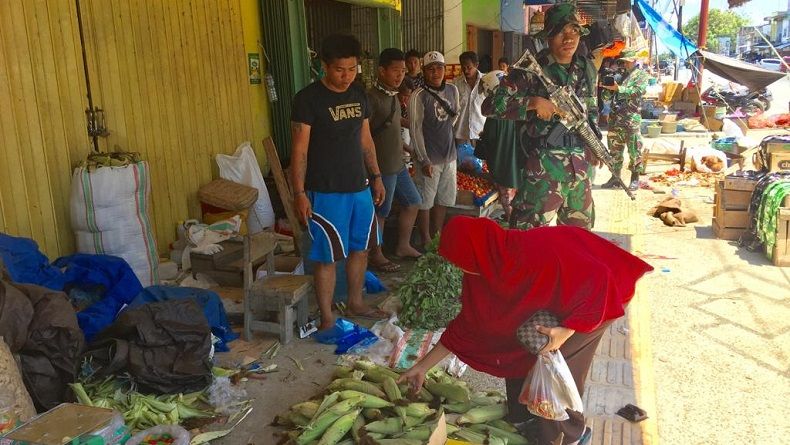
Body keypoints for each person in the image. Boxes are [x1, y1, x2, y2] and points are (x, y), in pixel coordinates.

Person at [398, 216, 654, 445]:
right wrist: (422, 367)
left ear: (472, 250)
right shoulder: (484, 265)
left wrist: (568, 330)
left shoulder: (532, 255)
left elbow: (600, 279)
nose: (458, 266)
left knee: (556, 369)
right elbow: (467, 326)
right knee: (518, 350)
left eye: (459, 259)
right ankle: (523, 418)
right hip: (566, 297)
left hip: (601, 298)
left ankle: (570, 436)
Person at [290, 34, 388, 330]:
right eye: (339, 70)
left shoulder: (359, 95)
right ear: (324, 66)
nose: (346, 76)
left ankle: (356, 302)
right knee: (327, 257)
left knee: (361, 249)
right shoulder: (308, 99)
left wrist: (377, 177)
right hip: (326, 191)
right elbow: (299, 150)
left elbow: (366, 140)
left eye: (352, 69)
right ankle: (327, 317)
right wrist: (299, 192)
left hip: (360, 188)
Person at [482, 3, 600, 230]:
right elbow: (490, 107)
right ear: (549, 36)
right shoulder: (530, 70)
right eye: (561, 31)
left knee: (578, 239)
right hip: (543, 171)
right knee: (527, 237)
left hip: (580, 171)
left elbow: (591, 111)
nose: (569, 38)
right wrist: (532, 103)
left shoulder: (586, 68)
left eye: (574, 30)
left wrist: (594, 144)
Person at [365, 48, 423, 273]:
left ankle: (402, 246)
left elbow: (393, 126)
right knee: (381, 211)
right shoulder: (371, 98)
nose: (400, 75)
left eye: (403, 71)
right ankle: (376, 254)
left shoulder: (393, 96)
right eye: (395, 70)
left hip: (398, 164)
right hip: (382, 168)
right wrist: (373, 171)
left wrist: (410, 147)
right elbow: (364, 136)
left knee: (413, 201)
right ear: (382, 71)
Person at [409, 51, 460, 247]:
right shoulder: (418, 95)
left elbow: (454, 117)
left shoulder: (453, 90)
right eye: (430, 69)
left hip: (449, 155)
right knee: (425, 201)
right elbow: (415, 129)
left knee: (443, 199)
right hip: (429, 157)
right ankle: (425, 239)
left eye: (439, 68)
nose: (435, 72)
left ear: (444, 69)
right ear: (424, 71)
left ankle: (437, 236)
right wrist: (423, 159)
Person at [599, 49, 650, 191]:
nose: (625, 64)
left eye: (627, 61)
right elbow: (606, 97)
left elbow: (638, 91)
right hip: (615, 119)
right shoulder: (619, 75)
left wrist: (619, 89)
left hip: (630, 119)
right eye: (623, 62)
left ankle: (635, 178)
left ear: (634, 60)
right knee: (614, 150)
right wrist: (607, 89)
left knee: (634, 150)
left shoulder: (641, 75)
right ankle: (615, 178)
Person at [474, 70, 520, 222]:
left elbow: (490, 141)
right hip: (518, 162)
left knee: (507, 196)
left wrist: (483, 136)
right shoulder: (516, 108)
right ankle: (514, 220)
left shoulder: (494, 113)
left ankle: (512, 222)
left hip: (504, 163)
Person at [452, 51, 486, 147]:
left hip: (481, 132)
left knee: (481, 157)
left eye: (469, 67)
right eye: (463, 68)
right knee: (462, 157)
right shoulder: (455, 84)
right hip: (460, 134)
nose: (466, 71)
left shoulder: (486, 81)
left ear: (476, 65)